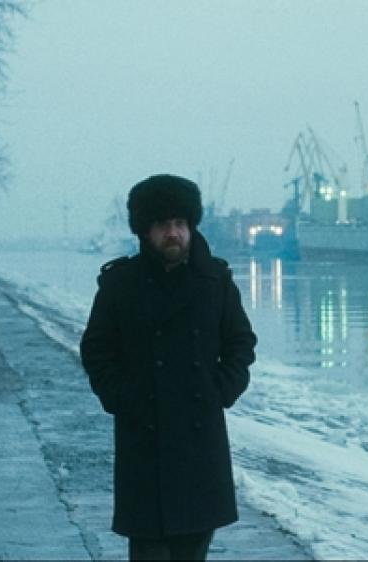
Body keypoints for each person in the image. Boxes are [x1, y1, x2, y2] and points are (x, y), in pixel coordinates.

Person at [80, 175, 257, 561]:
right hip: (144, 437)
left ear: (191, 226)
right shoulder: (120, 284)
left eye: (180, 223)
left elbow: (241, 343)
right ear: (146, 230)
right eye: (162, 224)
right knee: (149, 549)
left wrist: (220, 390)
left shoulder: (216, 281)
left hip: (199, 439)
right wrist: (121, 397)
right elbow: (96, 349)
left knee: (193, 548)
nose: (173, 233)